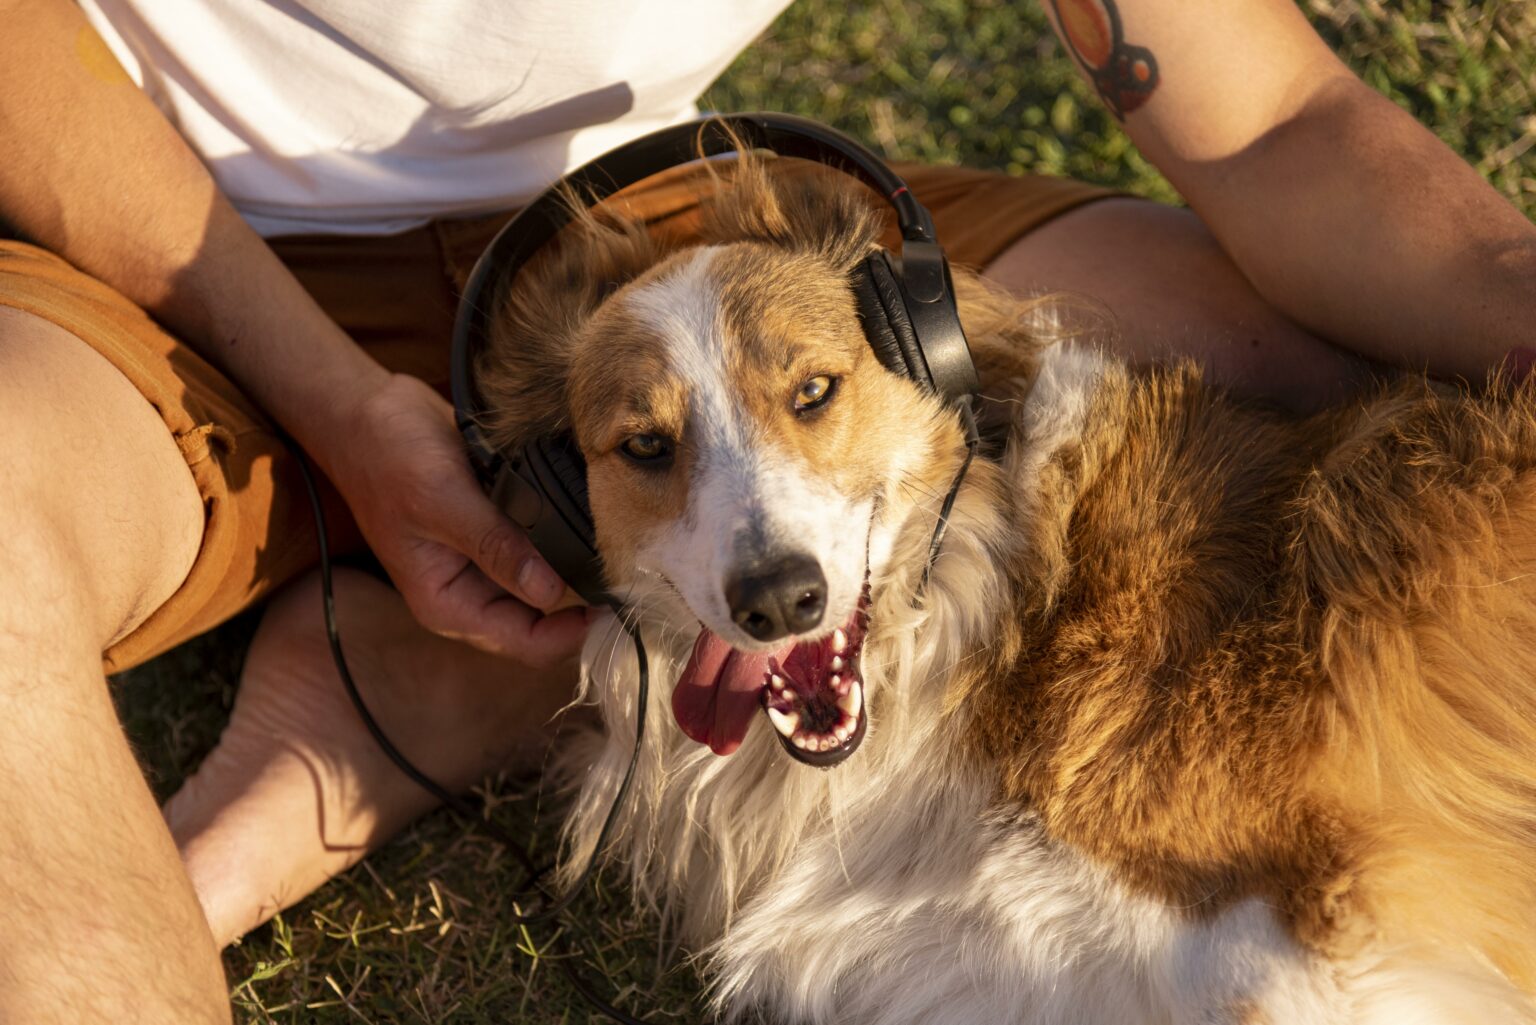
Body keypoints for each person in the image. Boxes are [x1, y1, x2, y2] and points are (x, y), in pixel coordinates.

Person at [0, 0, 1530, 1019]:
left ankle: (418, 682)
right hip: (152, 250)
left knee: (1300, 348)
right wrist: (338, 408)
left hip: (632, 225)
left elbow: (1267, 118)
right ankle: (311, 770)